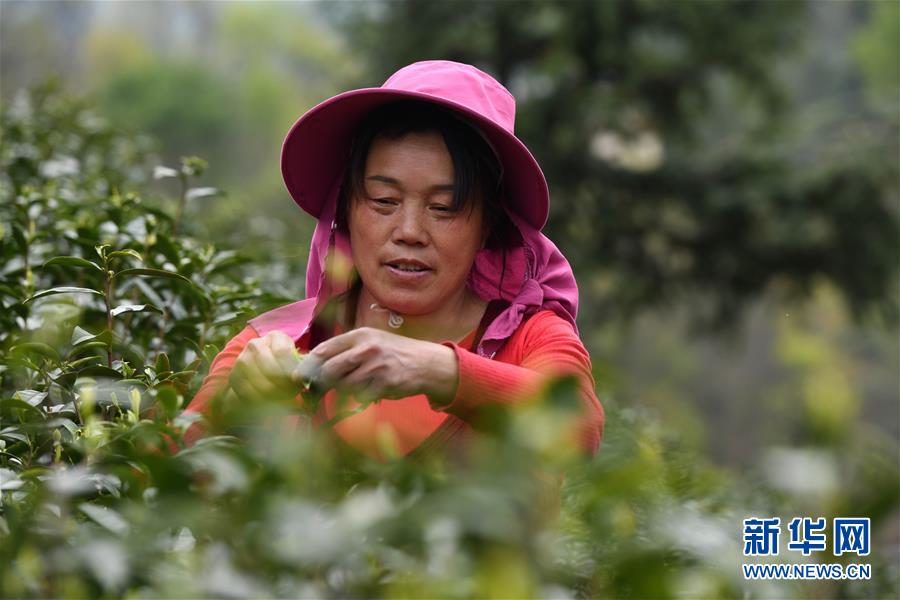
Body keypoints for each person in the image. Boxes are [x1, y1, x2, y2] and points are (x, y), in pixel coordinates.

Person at [181, 60, 604, 460]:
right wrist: (234, 407)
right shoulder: (274, 347)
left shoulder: (530, 339)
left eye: (443, 207)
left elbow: (578, 427)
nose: (409, 231)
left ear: (488, 226)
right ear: (346, 208)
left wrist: (436, 369)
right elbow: (159, 480)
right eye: (384, 201)